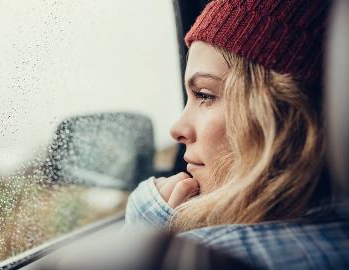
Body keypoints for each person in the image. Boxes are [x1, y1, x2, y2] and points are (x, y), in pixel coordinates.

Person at [125, 0, 349, 269]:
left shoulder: (211, 256)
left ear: (283, 114)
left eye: (204, 95)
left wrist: (151, 232)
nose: (177, 129)